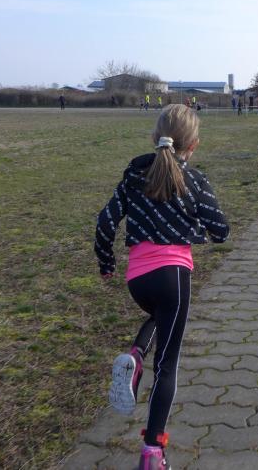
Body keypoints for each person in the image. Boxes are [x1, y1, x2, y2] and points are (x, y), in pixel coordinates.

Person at [94, 104, 230, 470]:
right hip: (174, 279)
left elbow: (105, 223)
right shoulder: (194, 181)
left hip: (138, 281)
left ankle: (136, 356)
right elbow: (221, 230)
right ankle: (153, 452)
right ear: (193, 145)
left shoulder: (133, 176)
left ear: (155, 138)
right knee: (167, 366)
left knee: (159, 318)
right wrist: (198, 228)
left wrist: (106, 263)